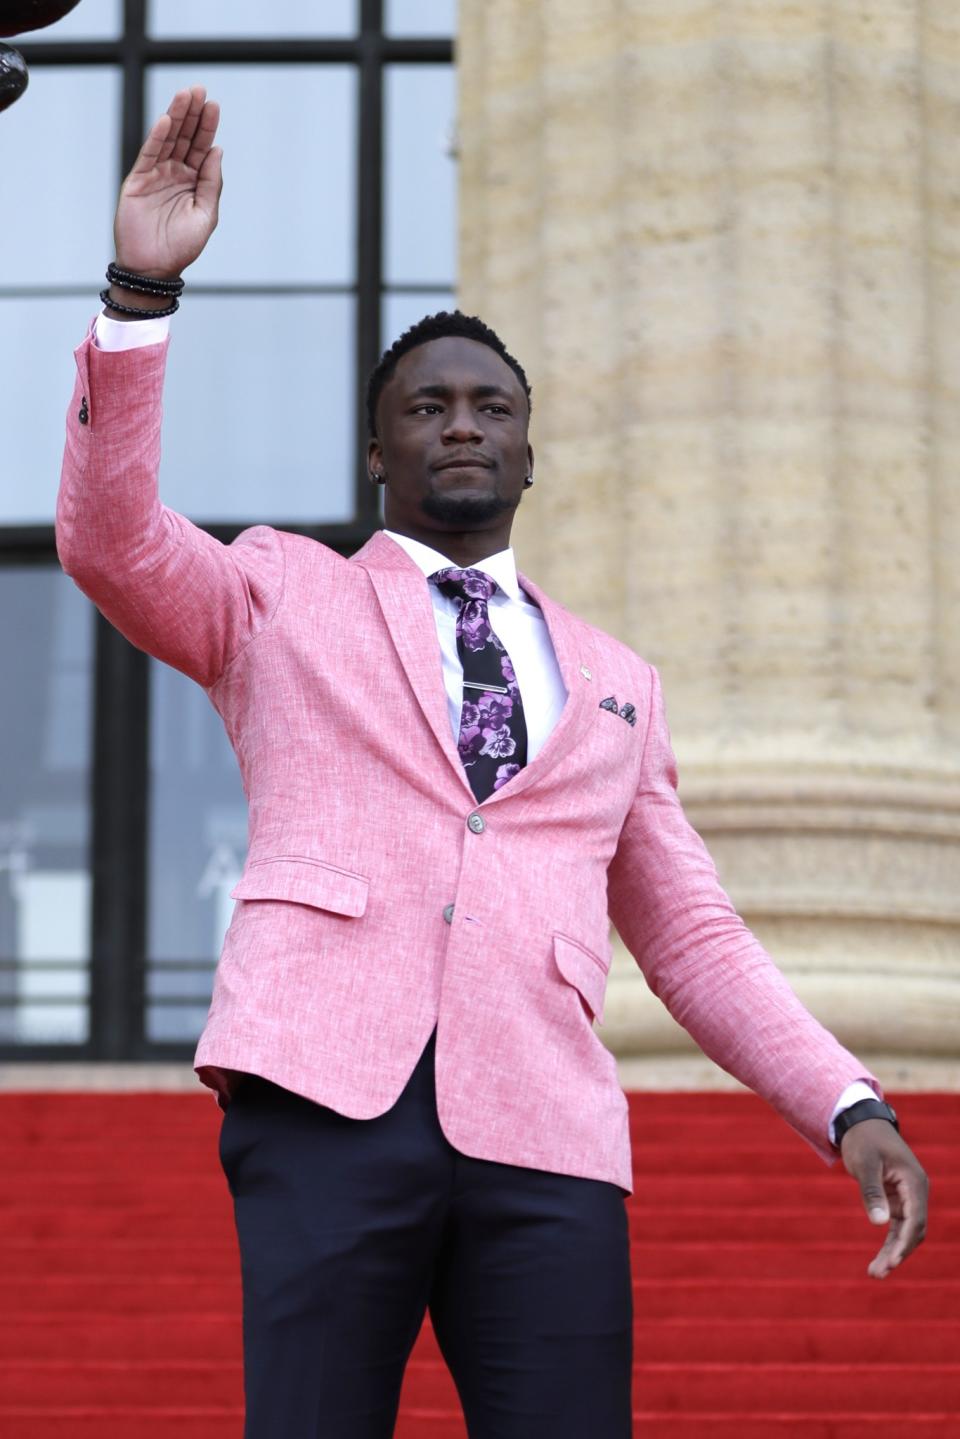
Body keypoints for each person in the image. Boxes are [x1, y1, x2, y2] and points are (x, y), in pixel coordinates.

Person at [56, 86, 928, 1439]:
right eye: (427, 405)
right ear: (378, 451)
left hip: (546, 1135)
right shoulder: (278, 593)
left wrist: (844, 1096)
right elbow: (111, 543)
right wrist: (139, 297)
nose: (462, 423)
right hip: (326, 1099)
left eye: (491, 405)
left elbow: (690, 939)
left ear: (527, 448)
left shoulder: (619, 682)